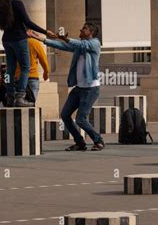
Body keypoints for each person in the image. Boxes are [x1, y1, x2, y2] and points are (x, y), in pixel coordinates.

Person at [33, 23, 105, 151]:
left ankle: (98, 140)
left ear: (91, 32)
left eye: (84, 28)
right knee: (65, 115)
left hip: (90, 89)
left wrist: (66, 38)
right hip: (78, 88)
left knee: (81, 119)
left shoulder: (95, 43)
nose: (80, 29)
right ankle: (80, 143)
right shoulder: (79, 46)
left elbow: (82, 44)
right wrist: (42, 39)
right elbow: (63, 46)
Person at [0, 0, 55, 107]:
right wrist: (45, 32)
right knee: (25, 67)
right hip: (19, 39)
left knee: (10, 69)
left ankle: (10, 96)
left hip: (6, 39)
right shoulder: (17, 3)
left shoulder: (2, 5)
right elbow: (28, 23)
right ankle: (20, 96)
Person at [15, 31, 50, 101]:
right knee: (31, 103)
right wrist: (46, 73)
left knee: (19, 103)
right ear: (29, 31)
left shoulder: (16, 43)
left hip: (19, 77)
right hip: (32, 77)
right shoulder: (35, 43)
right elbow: (44, 61)